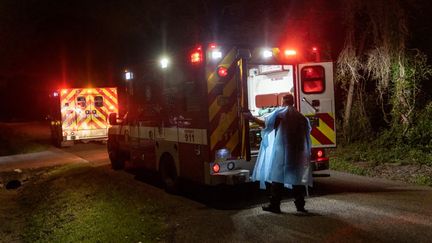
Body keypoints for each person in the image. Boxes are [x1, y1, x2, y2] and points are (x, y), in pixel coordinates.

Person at [244, 93, 312, 213]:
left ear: (283, 102)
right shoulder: (301, 117)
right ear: (293, 102)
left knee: (277, 178)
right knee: (297, 178)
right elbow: (307, 135)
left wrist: (251, 118)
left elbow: (266, 125)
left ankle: (275, 205)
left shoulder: (280, 114)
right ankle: (300, 206)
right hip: (298, 153)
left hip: (283, 151)